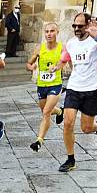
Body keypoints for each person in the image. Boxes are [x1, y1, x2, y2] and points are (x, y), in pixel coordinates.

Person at [54, 12, 97, 172]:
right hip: (74, 88)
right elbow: (64, 59)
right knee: (68, 123)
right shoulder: (71, 43)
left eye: (80, 26)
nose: (77, 29)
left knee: (86, 128)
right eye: (74, 26)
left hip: (93, 90)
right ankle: (70, 159)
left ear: (88, 25)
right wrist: (56, 67)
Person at [25, 22, 65, 152]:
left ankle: (39, 140)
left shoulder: (61, 48)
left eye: (52, 31)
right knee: (45, 109)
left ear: (57, 32)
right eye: (47, 31)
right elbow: (28, 64)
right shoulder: (39, 49)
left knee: (46, 112)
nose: (49, 34)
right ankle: (59, 111)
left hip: (55, 84)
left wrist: (57, 67)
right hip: (41, 85)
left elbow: (64, 62)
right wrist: (32, 67)